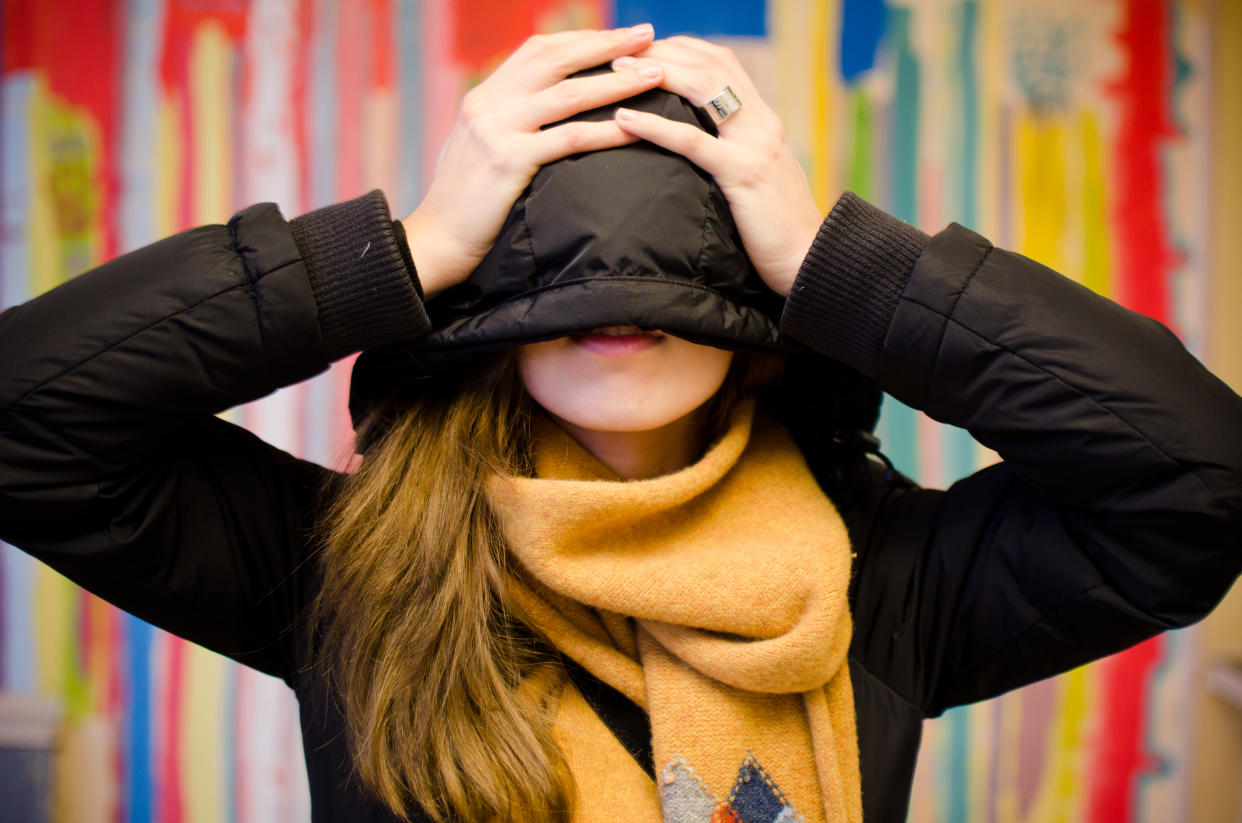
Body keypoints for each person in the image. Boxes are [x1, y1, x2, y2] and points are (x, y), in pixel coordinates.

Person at [1, 24, 1240, 823]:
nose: (623, 310)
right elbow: (27, 416)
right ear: (483, 314)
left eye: (678, 281)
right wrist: (404, 246)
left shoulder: (890, 584)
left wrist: (834, 259)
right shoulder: (344, 567)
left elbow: (1198, 480)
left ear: (764, 337)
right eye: (563, 275)